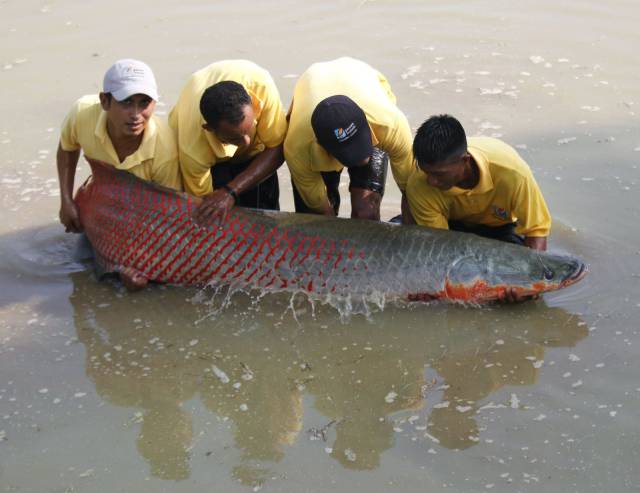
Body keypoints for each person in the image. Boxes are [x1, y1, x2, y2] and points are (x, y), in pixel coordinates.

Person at [56, 58, 181, 291]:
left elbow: (167, 219)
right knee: (79, 269)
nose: (136, 115)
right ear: (105, 101)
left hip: (144, 214)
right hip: (102, 200)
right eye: (126, 103)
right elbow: (67, 147)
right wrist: (66, 200)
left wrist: (131, 261)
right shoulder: (82, 113)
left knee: (147, 284)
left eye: (144, 103)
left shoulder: (164, 147)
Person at [405, 114, 552, 302]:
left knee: (520, 294)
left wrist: (531, 281)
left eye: (439, 175)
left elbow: (536, 231)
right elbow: (441, 249)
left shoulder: (513, 174)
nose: (432, 181)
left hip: (499, 228)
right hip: (452, 228)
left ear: (465, 161)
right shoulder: (419, 183)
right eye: (427, 172)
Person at [284, 57, 414, 220]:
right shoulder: (298, 149)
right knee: (314, 219)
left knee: (365, 212)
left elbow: (410, 190)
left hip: (357, 72)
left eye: (361, 145)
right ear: (323, 148)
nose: (364, 159)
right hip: (311, 82)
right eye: (350, 154)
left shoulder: (390, 125)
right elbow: (322, 211)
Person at [168, 60, 287, 224]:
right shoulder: (192, 148)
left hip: (257, 151)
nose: (245, 142)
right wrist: (222, 195)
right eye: (234, 138)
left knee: (265, 217)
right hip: (212, 160)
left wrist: (232, 191)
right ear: (209, 128)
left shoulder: (262, 88)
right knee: (216, 214)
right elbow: (204, 204)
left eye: (249, 129)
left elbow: (277, 148)